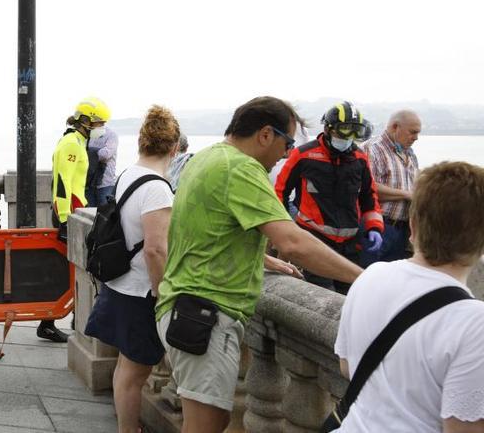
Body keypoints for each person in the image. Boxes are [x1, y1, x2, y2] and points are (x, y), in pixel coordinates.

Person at [155, 96, 363, 433]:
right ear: (266, 134)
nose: (286, 154)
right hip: (206, 315)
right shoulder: (242, 168)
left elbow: (206, 231)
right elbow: (293, 242)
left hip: (183, 308)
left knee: (214, 418)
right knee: (205, 425)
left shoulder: (206, 158)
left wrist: (260, 258)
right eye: (288, 142)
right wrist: (365, 277)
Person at [333, 161, 484, 432]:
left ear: (412, 226)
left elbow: (346, 365)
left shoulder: (371, 276)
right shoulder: (475, 322)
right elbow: (463, 427)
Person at [84, 105, 179, 433]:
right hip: (140, 292)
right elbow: (155, 249)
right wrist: (162, 294)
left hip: (120, 283)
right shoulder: (157, 188)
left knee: (126, 368)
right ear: (174, 147)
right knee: (134, 374)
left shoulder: (129, 174)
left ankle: (128, 428)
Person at [274, 101, 384, 294]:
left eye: (355, 133)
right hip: (314, 238)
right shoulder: (304, 154)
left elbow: (369, 197)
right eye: (344, 131)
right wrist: (282, 231)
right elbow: (280, 193)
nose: (349, 138)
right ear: (328, 129)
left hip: (350, 242)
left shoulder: (359, 158)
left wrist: (375, 228)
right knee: (321, 294)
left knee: (350, 294)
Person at [46, 96, 110, 343]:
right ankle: (53, 320)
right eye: (98, 123)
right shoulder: (71, 144)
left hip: (74, 210)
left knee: (70, 270)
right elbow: (61, 183)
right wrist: (64, 219)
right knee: (67, 270)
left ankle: (58, 319)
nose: (101, 128)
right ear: (85, 122)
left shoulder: (77, 142)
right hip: (69, 213)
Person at [358, 110, 421, 265]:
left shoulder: (410, 154)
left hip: (402, 230)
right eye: (412, 132)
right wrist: (406, 195)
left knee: (391, 281)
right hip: (377, 227)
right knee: (366, 275)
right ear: (395, 127)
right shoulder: (372, 148)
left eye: (418, 133)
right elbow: (367, 189)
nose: (416, 138)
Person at [85, 114, 118, 206]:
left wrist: (90, 153)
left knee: (105, 214)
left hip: (106, 183)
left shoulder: (111, 135)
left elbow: (106, 154)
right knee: (90, 214)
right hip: (90, 182)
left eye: (93, 123)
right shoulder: (89, 135)